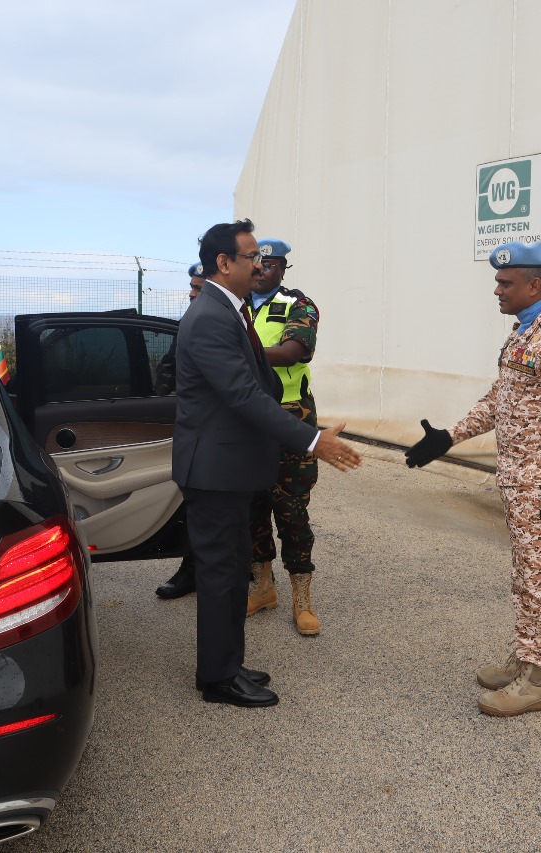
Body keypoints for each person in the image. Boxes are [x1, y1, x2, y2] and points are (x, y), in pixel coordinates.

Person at [403, 241, 541, 717]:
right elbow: (501, 400)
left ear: (535, 284)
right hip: (518, 481)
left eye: (504, 282)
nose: (497, 289)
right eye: (497, 281)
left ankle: (538, 680)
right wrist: (448, 437)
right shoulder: (524, 334)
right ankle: (527, 654)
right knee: (526, 577)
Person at [172, 219, 360, 708]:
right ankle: (217, 678)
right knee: (220, 577)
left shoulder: (227, 309)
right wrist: (313, 439)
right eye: (251, 255)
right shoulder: (212, 316)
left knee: (233, 573)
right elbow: (242, 395)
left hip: (227, 470)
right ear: (224, 263)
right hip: (214, 473)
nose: (259, 263)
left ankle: (227, 663)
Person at [244, 239, 324, 635]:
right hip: (245, 420)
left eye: (271, 264)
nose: (262, 270)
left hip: (291, 417)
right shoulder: (235, 306)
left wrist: (234, 350)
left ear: (283, 269)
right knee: (251, 507)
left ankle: (302, 600)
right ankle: (262, 589)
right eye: (257, 263)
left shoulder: (298, 305)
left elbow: (293, 350)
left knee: (292, 512)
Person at [154, 262, 208, 600]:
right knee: (196, 505)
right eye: (192, 286)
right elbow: (166, 374)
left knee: (252, 507)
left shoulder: (235, 322)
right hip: (199, 431)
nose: (191, 293)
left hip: (238, 434)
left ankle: (254, 571)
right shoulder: (189, 324)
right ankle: (192, 570)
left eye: (198, 288)